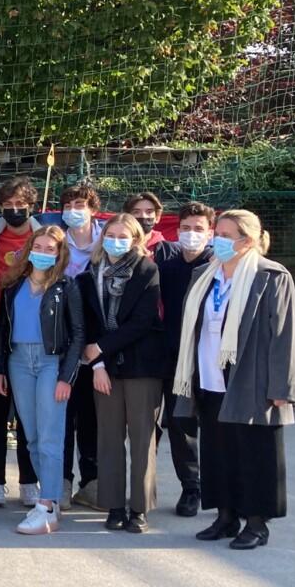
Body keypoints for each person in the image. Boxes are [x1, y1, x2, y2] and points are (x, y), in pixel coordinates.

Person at [173, 210, 295, 550]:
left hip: (251, 380)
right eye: (218, 233)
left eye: (227, 235)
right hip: (209, 375)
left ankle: (257, 523)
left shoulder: (270, 276)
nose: (219, 240)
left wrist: (282, 387)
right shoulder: (205, 275)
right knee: (218, 450)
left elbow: (284, 334)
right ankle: (225, 516)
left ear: (249, 240)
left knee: (256, 453)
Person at [0, 226, 85, 535]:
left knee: (50, 436)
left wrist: (66, 377)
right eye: (39, 246)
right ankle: (50, 498)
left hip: (50, 363)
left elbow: (78, 335)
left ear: (59, 254)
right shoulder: (13, 286)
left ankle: (46, 506)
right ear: (29, 249)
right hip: (19, 361)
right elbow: (3, 330)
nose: (43, 253)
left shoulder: (65, 286)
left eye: (50, 249)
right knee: (30, 436)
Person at [77, 214, 165, 533]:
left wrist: (101, 348)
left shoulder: (147, 270)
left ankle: (139, 509)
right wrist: (98, 365)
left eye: (123, 236)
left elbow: (142, 321)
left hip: (142, 367)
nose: (116, 241)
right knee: (109, 439)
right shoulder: (89, 275)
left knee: (142, 440)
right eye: (111, 235)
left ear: (136, 239)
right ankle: (113, 506)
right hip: (105, 370)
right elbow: (87, 323)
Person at [0, 177, 40, 508]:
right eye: (8, 205)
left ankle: (29, 480)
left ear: (32, 206)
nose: (15, 210)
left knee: (29, 412)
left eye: (21, 205)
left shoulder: (44, 236)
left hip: (30, 333)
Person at [156, 201, 215, 518]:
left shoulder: (219, 267)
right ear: (177, 231)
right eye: (186, 228)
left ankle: (223, 492)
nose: (192, 234)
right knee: (182, 428)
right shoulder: (166, 268)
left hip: (213, 361)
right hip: (174, 361)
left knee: (218, 429)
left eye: (198, 229)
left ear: (210, 232)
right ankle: (191, 489)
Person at [58, 181, 103, 509]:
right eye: (68, 205)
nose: (74, 211)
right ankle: (61, 482)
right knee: (63, 416)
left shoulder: (108, 241)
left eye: (80, 205)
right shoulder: (56, 242)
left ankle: (92, 483)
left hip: (96, 343)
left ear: (93, 210)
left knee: (91, 418)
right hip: (62, 341)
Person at [125, 191, 176, 260]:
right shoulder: (117, 243)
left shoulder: (164, 249)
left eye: (149, 212)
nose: (143, 216)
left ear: (157, 217)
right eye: (136, 212)